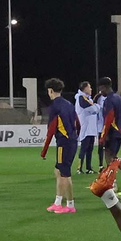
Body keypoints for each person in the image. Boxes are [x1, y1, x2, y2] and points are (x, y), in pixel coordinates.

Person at [40, 78, 79, 213]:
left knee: (63, 174)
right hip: (71, 141)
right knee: (59, 171)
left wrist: (44, 151)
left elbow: (51, 130)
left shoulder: (55, 106)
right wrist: (74, 136)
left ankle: (64, 204)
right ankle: (64, 203)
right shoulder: (69, 104)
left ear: (50, 91)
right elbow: (78, 123)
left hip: (64, 143)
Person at [98, 77, 121, 167]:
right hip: (120, 131)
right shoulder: (118, 98)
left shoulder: (108, 100)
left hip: (112, 132)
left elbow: (109, 119)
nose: (100, 92)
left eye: (100, 89)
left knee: (109, 156)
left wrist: (104, 136)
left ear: (104, 87)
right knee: (113, 156)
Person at [75, 81, 102, 175]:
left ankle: (88, 168)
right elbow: (94, 108)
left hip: (91, 129)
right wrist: (97, 106)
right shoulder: (81, 98)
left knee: (90, 149)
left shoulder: (87, 98)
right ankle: (79, 168)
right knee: (84, 148)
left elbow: (93, 108)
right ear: (84, 88)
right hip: (85, 128)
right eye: (89, 87)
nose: (91, 89)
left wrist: (95, 107)